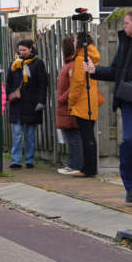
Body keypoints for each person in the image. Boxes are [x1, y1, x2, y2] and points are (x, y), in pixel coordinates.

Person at [84, 10, 132, 203]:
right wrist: (94, 70)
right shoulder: (125, 44)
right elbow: (114, 72)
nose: (124, 26)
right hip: (129, 101)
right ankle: (130, 187)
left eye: (127, 22)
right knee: (129, 141)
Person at [5, 40, 48, 169]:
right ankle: (16, 161)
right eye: (20, 50)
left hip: (32, 103)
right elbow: (8, 82)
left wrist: (41, 101)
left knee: (30, 135)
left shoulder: (38, 63)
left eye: (24, 50)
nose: (22, 52)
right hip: (17, 104)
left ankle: (29, 160)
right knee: (17, 134)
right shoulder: (14, 64)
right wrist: (9, 95)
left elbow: (43, 83)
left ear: (30, 49)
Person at [68, 32, 102, 177]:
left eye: (75, 40)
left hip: (82, 102)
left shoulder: (80, 58)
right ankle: (90, 167)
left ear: (80, 42)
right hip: (90, 101)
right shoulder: (91, 56)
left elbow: (78, 83)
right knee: (90, 136)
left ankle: (88, 169)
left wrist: (71, 101)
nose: (73, 43)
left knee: (86, 136)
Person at [55, 38, 83, 175]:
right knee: (72, 137)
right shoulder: (70, 65)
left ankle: (75, 165)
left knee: (74, 138)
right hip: (66, 107)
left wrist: (62, 98)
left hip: (68, 106)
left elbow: (74, 85)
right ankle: (73, 164)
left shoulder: (71, 65)